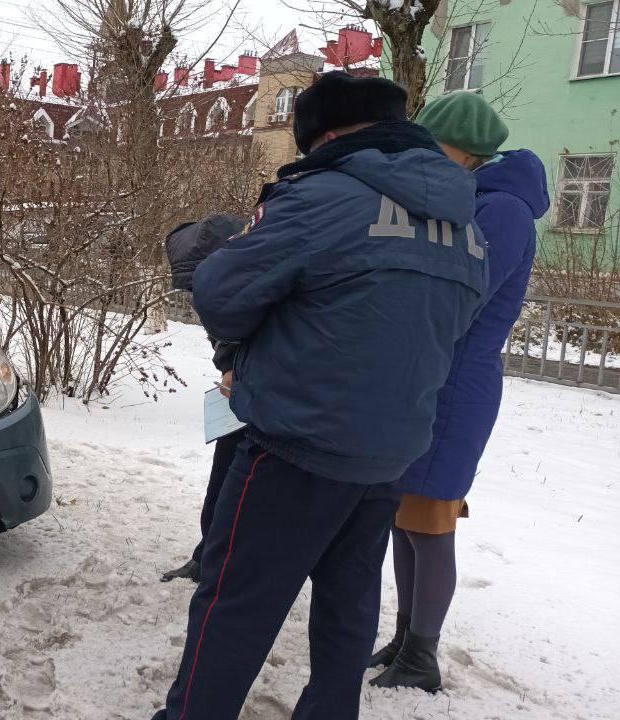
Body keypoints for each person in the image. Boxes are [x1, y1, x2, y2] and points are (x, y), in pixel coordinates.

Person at [152, 71, 488, 720]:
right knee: (348, 604)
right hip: (391, 453)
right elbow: (450, 323)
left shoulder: (323, 197)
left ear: (329, 134)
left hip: (296, 446)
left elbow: (221, 293)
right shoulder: (464, 222)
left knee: (236, 602)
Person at [368, 92, 549, 692]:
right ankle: (404, 636)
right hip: (431, 373)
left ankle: (422, 655)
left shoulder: (503, 212)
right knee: (404, 516)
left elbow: (461, 296)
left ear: (462, 150)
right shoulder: (471, 200)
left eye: (432, 143)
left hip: (457, 382)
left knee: (430, 518)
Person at [161, 213, 247, 584]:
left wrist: (236, 364)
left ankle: (226, 563)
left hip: (266, 397)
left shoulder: (255, 276)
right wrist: (228, 362)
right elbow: (221, 327)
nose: (195, 301)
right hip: (236, 394)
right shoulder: (221, 283)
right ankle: (207, 556)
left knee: (241, 486)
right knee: (223, 477)